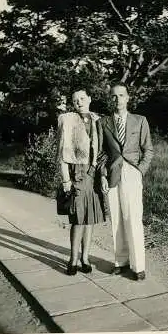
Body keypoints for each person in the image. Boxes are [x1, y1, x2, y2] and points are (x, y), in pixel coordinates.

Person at [98, 83, 154, 280]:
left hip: (132, 172)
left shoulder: (140, 120)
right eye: (113, 96)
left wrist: (140, 170)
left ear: (128, 98)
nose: (117, 100)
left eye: (121, 95)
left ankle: (138, 266)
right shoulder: (103, 122)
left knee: (133, 218)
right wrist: (103, 174)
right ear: (110, 99)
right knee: (117, 218)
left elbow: (148, 150)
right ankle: (120, 262)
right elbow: (101, 153)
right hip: (113, 173)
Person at [56, 85, 106, 276]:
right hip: (76, 172)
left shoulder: (98, 119)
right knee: (77, 219)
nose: (79, 102)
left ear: (90, 99)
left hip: (93, 172)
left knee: (90, 219)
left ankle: (85, 258)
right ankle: (73, 259)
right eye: (75, 100)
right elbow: (62, 152)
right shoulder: (67, 119)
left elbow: (102, 150)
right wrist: (66, 180)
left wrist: (101, 173)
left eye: (82, 99)